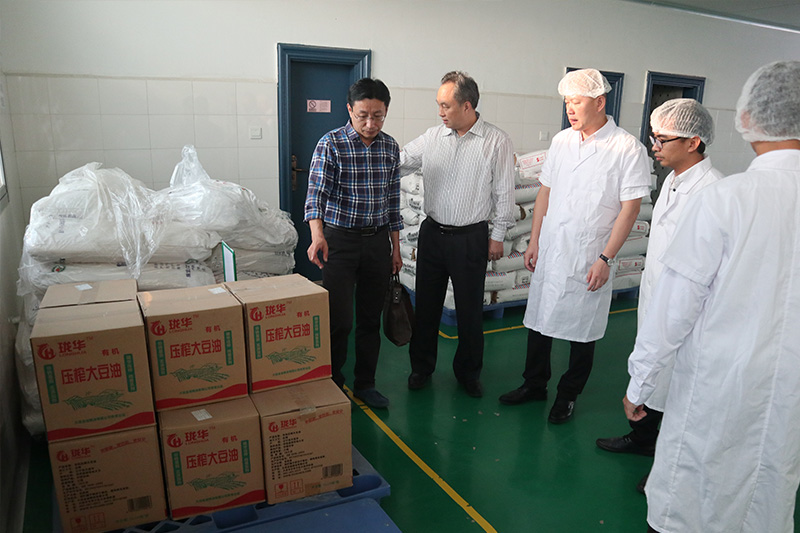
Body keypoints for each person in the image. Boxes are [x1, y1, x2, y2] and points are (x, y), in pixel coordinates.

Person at [625, 60, 800, 533]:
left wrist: (640, 382)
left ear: (748, 118)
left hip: (719, 382)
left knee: (694, 498)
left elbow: (675, 307)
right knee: (767, 494)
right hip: (789, 392)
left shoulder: (726, 198)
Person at [500, 69, 651, 424]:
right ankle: (534, 383)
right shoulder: (562, 141)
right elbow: (545, 192)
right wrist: (535, 239)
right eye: (567, 102)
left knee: (583, 329)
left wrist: (605, 258)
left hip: (591, 252)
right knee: (539, 319)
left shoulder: (627, 148)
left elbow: (630, 209)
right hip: (553, 246)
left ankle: (568, 394)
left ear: (599, 102)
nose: (570, 109)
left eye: (577, 102)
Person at [595, 100, 723, 485]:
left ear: (693, 142)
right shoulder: (673, 179)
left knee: (678, 388)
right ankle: (643, 439)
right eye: (654, 137)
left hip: (686, 312)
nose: (655, 146)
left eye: (663, 139)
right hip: (658, 296)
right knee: (657, 375)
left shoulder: (712, 192)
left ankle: (667, 470)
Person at [400, 71, 515, 398]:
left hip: (470, 238)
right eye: (439, 104)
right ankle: (421, 368)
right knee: (426, 307)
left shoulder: (496, 141)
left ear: (467, 106)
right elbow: (401, 161)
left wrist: (498, 235)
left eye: (445, 105)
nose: (440, 112)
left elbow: (504, 193)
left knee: (469, 311)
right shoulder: (433, 137)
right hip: (433, 234)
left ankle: (468, 373)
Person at [304, 78, 402, 409]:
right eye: (363, 116)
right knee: (340, 319)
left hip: (376, 242)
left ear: (385, 112)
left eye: (378, 116)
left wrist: (396, 248)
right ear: (350, 110)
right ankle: (333, 380)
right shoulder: (331, 144)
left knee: (370, 319)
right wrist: (317, 235)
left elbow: (393, 201)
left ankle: (366, 384)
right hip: (339, 242)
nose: (370, 123)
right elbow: (315, 194)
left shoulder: (390, 147)